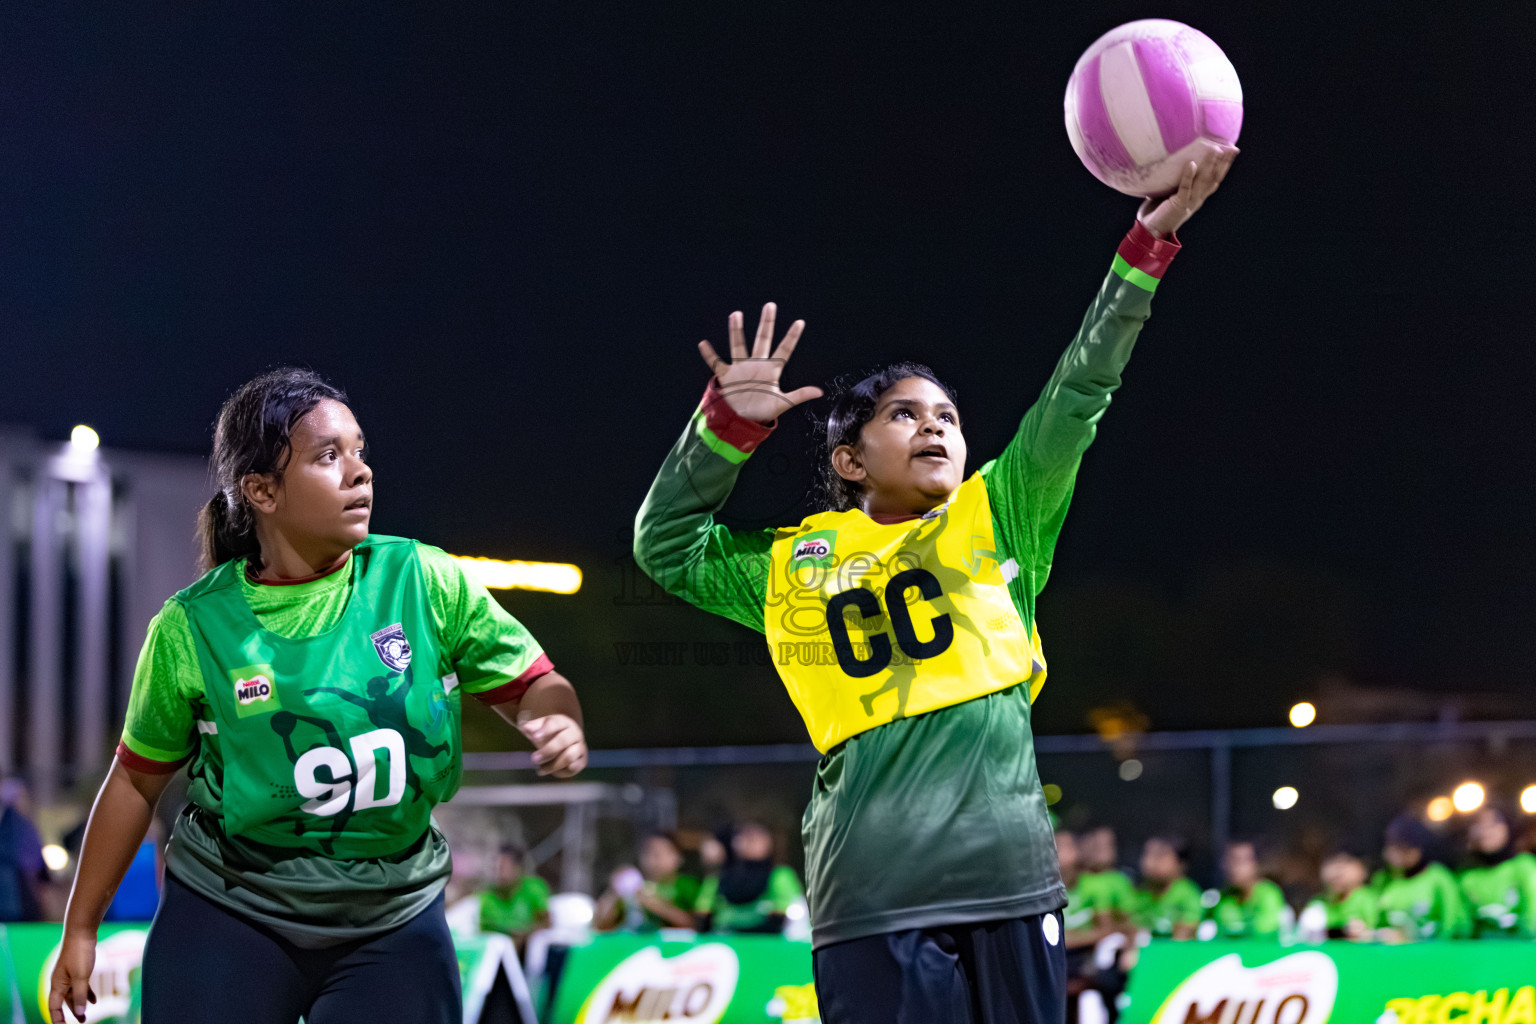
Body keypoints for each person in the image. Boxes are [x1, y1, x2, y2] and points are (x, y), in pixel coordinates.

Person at [633, 145, 1236, 1022]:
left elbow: (1081, 388)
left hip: (1010, 878)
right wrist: (723, 429)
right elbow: (666, 544)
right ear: (849, 459)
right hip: (871, 888)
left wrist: (1143, 251)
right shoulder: (792, 561)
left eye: (948, 415)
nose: (935, 427)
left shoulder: (1002, 509)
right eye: (905, 414)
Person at [49, 369, 589, 1024]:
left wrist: (553, 716)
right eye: (328, 456)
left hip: (392, 918)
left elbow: (535, 683)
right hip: (232, 909)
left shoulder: (423, 580)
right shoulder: (194, 625)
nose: (359, 471)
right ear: (262, 490)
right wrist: (80, 928)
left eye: (360, 451)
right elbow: (135, 783)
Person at [694, 822, 803, 934]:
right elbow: (703, 912)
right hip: (725, 940)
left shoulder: (779, 875)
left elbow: (787, 912)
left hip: (769, 942)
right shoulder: (719, 877)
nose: (750, 843)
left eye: (756, 839)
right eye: (745, 838)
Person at [1376, 814, 1469, 941]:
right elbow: (1377, 924)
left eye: (1402, 848)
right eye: (1391, 848)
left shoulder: (1437, 877)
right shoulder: (1385, 881)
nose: (1395, 854)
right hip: (1393, 957)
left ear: (1418, 848)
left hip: (1434, 956)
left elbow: (1456, 923)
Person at [595, 832, 700, 932]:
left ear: (678, 857)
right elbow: (601, 925)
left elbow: (695, 925)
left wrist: (653, 904)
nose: (654, 859)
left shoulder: (687, 884)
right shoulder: (633, 887)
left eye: (660, 853)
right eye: (649, 852)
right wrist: (614, 892)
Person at [1458, 806, 1536, 938]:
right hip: (1481, 954)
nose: (1484, 832)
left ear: (1508, 827)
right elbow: (1461, 926)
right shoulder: (1468, 877)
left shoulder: (1524, 866)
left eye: (1492, 825)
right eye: (1478, 826)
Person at [1208, 839, 1287, 939]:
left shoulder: (1269, 893)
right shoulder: (1224, 899)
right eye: (1229, 861)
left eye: (1238, 861)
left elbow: (1265, 931)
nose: (1232, 867)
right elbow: (1223, 932)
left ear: (1255, 864)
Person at [478, 844, 551, 951]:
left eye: (502, 867)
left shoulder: (534, 887)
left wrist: (526, 935)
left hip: (528, 950)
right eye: (495, 867)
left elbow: (545, 921)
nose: (497, 872)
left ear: (518, 868)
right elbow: (486, 932)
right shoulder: (487, 897)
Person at [1132, 836, 1202, 941]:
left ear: (1180, 863)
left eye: (1160, 855)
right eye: (1147, 854)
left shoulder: (1187, 894)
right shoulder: (1139, 895)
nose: (1151, 861)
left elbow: (1184, 935)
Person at [0, 776, 49, 922]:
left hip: (17, 904)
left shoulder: (20, 825)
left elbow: (36, 866)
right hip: (17, 903)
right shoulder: (21, 824)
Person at [1302, 852, 1377, 941]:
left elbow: (1373, 932)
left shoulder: (1365, 898)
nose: (1336, 875)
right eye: (1332, 867)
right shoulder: (1318, 903)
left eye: (1341, 870)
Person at [1077, 826, 1138, 929]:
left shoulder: (1119, 880)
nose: (1101, 851)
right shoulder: (1078, 878)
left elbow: (1128, 915)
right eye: (1096, 846)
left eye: (1107, 846)